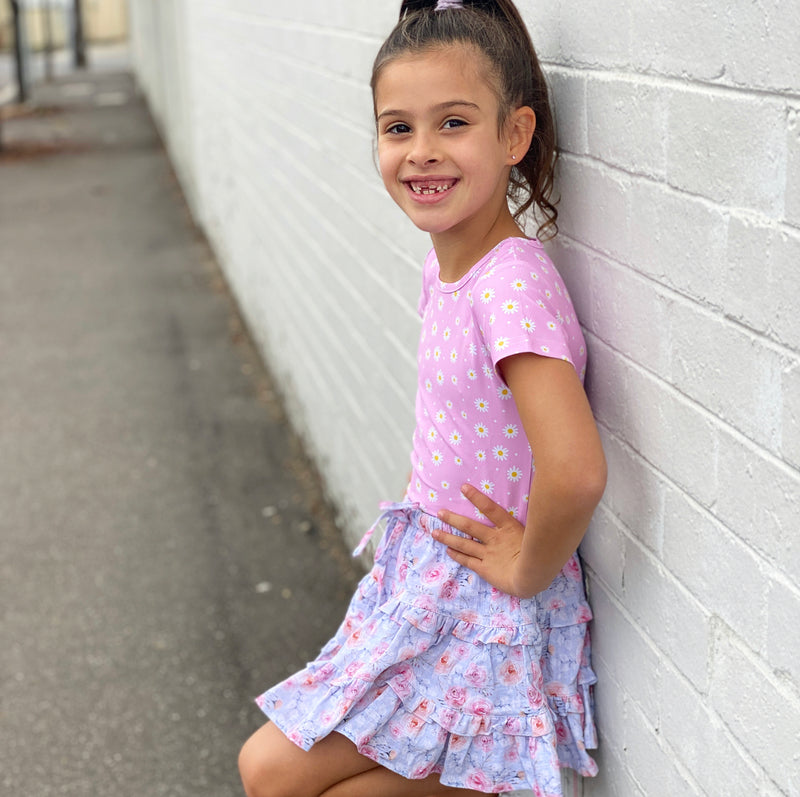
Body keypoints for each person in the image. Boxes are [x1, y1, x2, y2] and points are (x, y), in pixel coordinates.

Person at [238, 0, 607, 794]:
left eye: (453, 123)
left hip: (484, 621)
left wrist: (525, 566)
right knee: (278, 771)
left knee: (271, 771)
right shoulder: (453, 270)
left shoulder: (509, 286)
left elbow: (575, 470)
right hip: (431, 590)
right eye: (398, 127)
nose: (421, 151)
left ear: (515, 134)